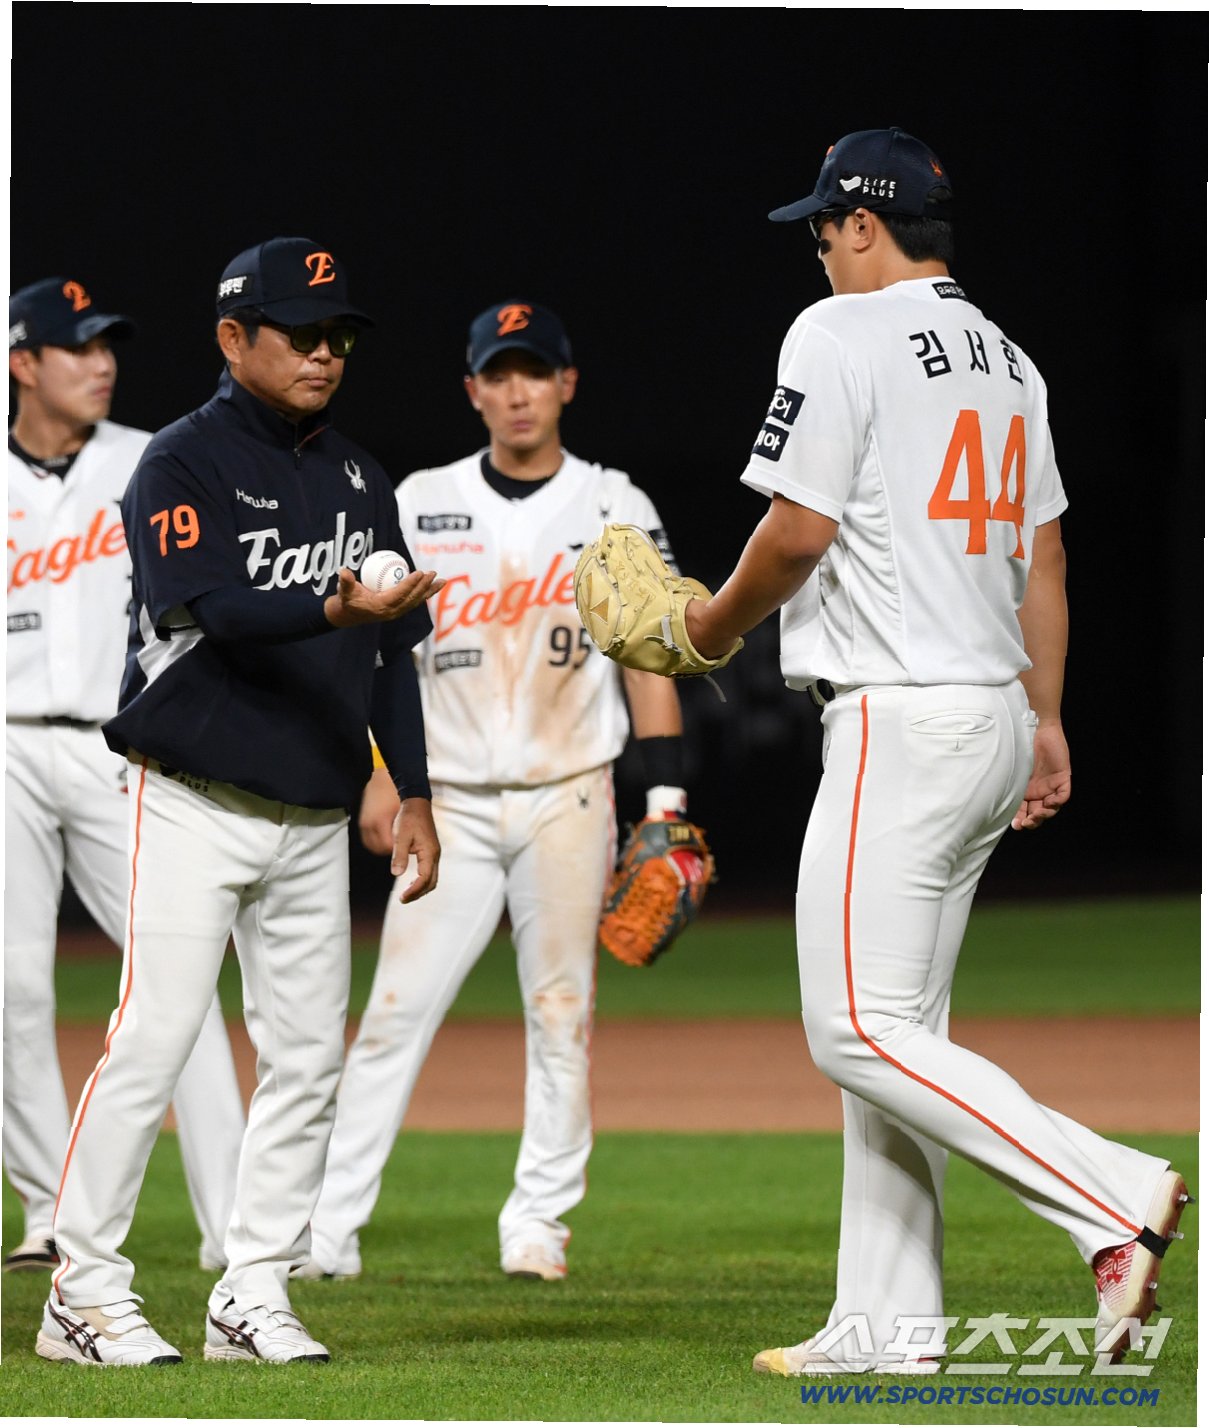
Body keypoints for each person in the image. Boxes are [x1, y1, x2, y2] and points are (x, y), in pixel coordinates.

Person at [669, 129, 1187, 1373]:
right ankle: (887, 1326)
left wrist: (708, 629)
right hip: (991, 712)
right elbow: (1046, 558)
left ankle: (1112, 1196)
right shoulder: (1012, 360)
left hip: (902, 718)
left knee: (853, 1028)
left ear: (864, 223)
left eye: (822, 228)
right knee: (901, 1034)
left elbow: (797, 531)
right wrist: (1045, 719)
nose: (818, 250)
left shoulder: (837, 331)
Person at [36, 237, 443, 1367]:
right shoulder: (180, 461)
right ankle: (81, 1291)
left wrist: (413, 787)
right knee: (153, 1041)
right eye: (301, 332)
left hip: (314, 814)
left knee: (307, 1060)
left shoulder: (360, 477)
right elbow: (212, 607)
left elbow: (393, 652)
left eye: (339, 334)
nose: (325, 352)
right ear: (232, 337)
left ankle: (252, 1291)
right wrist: (334, 608)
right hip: (191, 799)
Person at [298, 300, 688, 1283]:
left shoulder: (614, 504)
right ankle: (328, 1230)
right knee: (394, 1013)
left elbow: (650, 655)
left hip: (570, 794)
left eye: (535, 372)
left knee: (561, 1011)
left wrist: (665, 803)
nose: (518, 392)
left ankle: (538, 1223)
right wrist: (381, 775)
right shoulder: (420, 499)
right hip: (452, 803)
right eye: (499, 374)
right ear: (473, 389)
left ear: (566, 384)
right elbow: (377, 648)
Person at [6, 277, 244, 1277]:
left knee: (175, 985)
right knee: (12, 988)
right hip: (7, 746)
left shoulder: (153, 460)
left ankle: (237, 1230)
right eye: (78, 347)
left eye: (108, 345)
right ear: (23, 363)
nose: (101, 362)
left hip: (122, 748)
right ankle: (48, 1214)